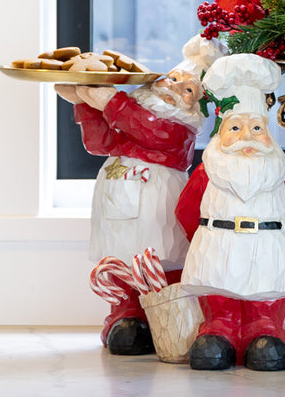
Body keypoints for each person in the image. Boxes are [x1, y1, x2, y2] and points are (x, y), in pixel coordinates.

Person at [56, 35, 221, 354]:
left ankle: (167, 313)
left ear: (194, 107)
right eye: (172, 78)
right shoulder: (128, 120)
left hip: (156, 206)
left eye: (187, 89)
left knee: (163, 257)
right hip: (117, 205)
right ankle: (126, 314)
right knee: (122, 258)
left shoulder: (178, 129)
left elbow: (152, 130)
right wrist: (85, 103)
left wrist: (110, 102)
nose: (174, 86)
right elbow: (99, 143)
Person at [175, 54, 285, 371]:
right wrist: (210, 240)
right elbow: (186, 211)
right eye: (235, 127)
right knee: (219, 296)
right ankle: (218, 330)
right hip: (218, 252)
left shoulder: (279, 172)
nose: (247, 137)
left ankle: (266, 329)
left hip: (267, 253)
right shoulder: (209, 172)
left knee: (266, 298)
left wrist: (275, 241)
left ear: (268, 131)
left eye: (256, 127)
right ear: (220, 132)